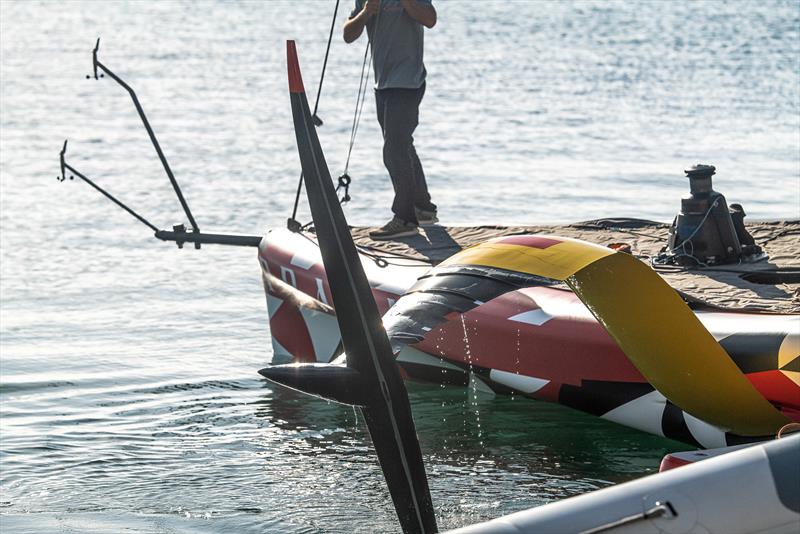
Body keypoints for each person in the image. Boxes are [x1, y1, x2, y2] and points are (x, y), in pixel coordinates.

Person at [344, 0, 438, 240]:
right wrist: (366, 12)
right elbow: (348, 34)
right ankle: (423, 208)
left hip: (408, 81)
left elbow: (430, 19)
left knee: (394, 150)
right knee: (402, 144)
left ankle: (405, 218)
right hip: (383, 84)